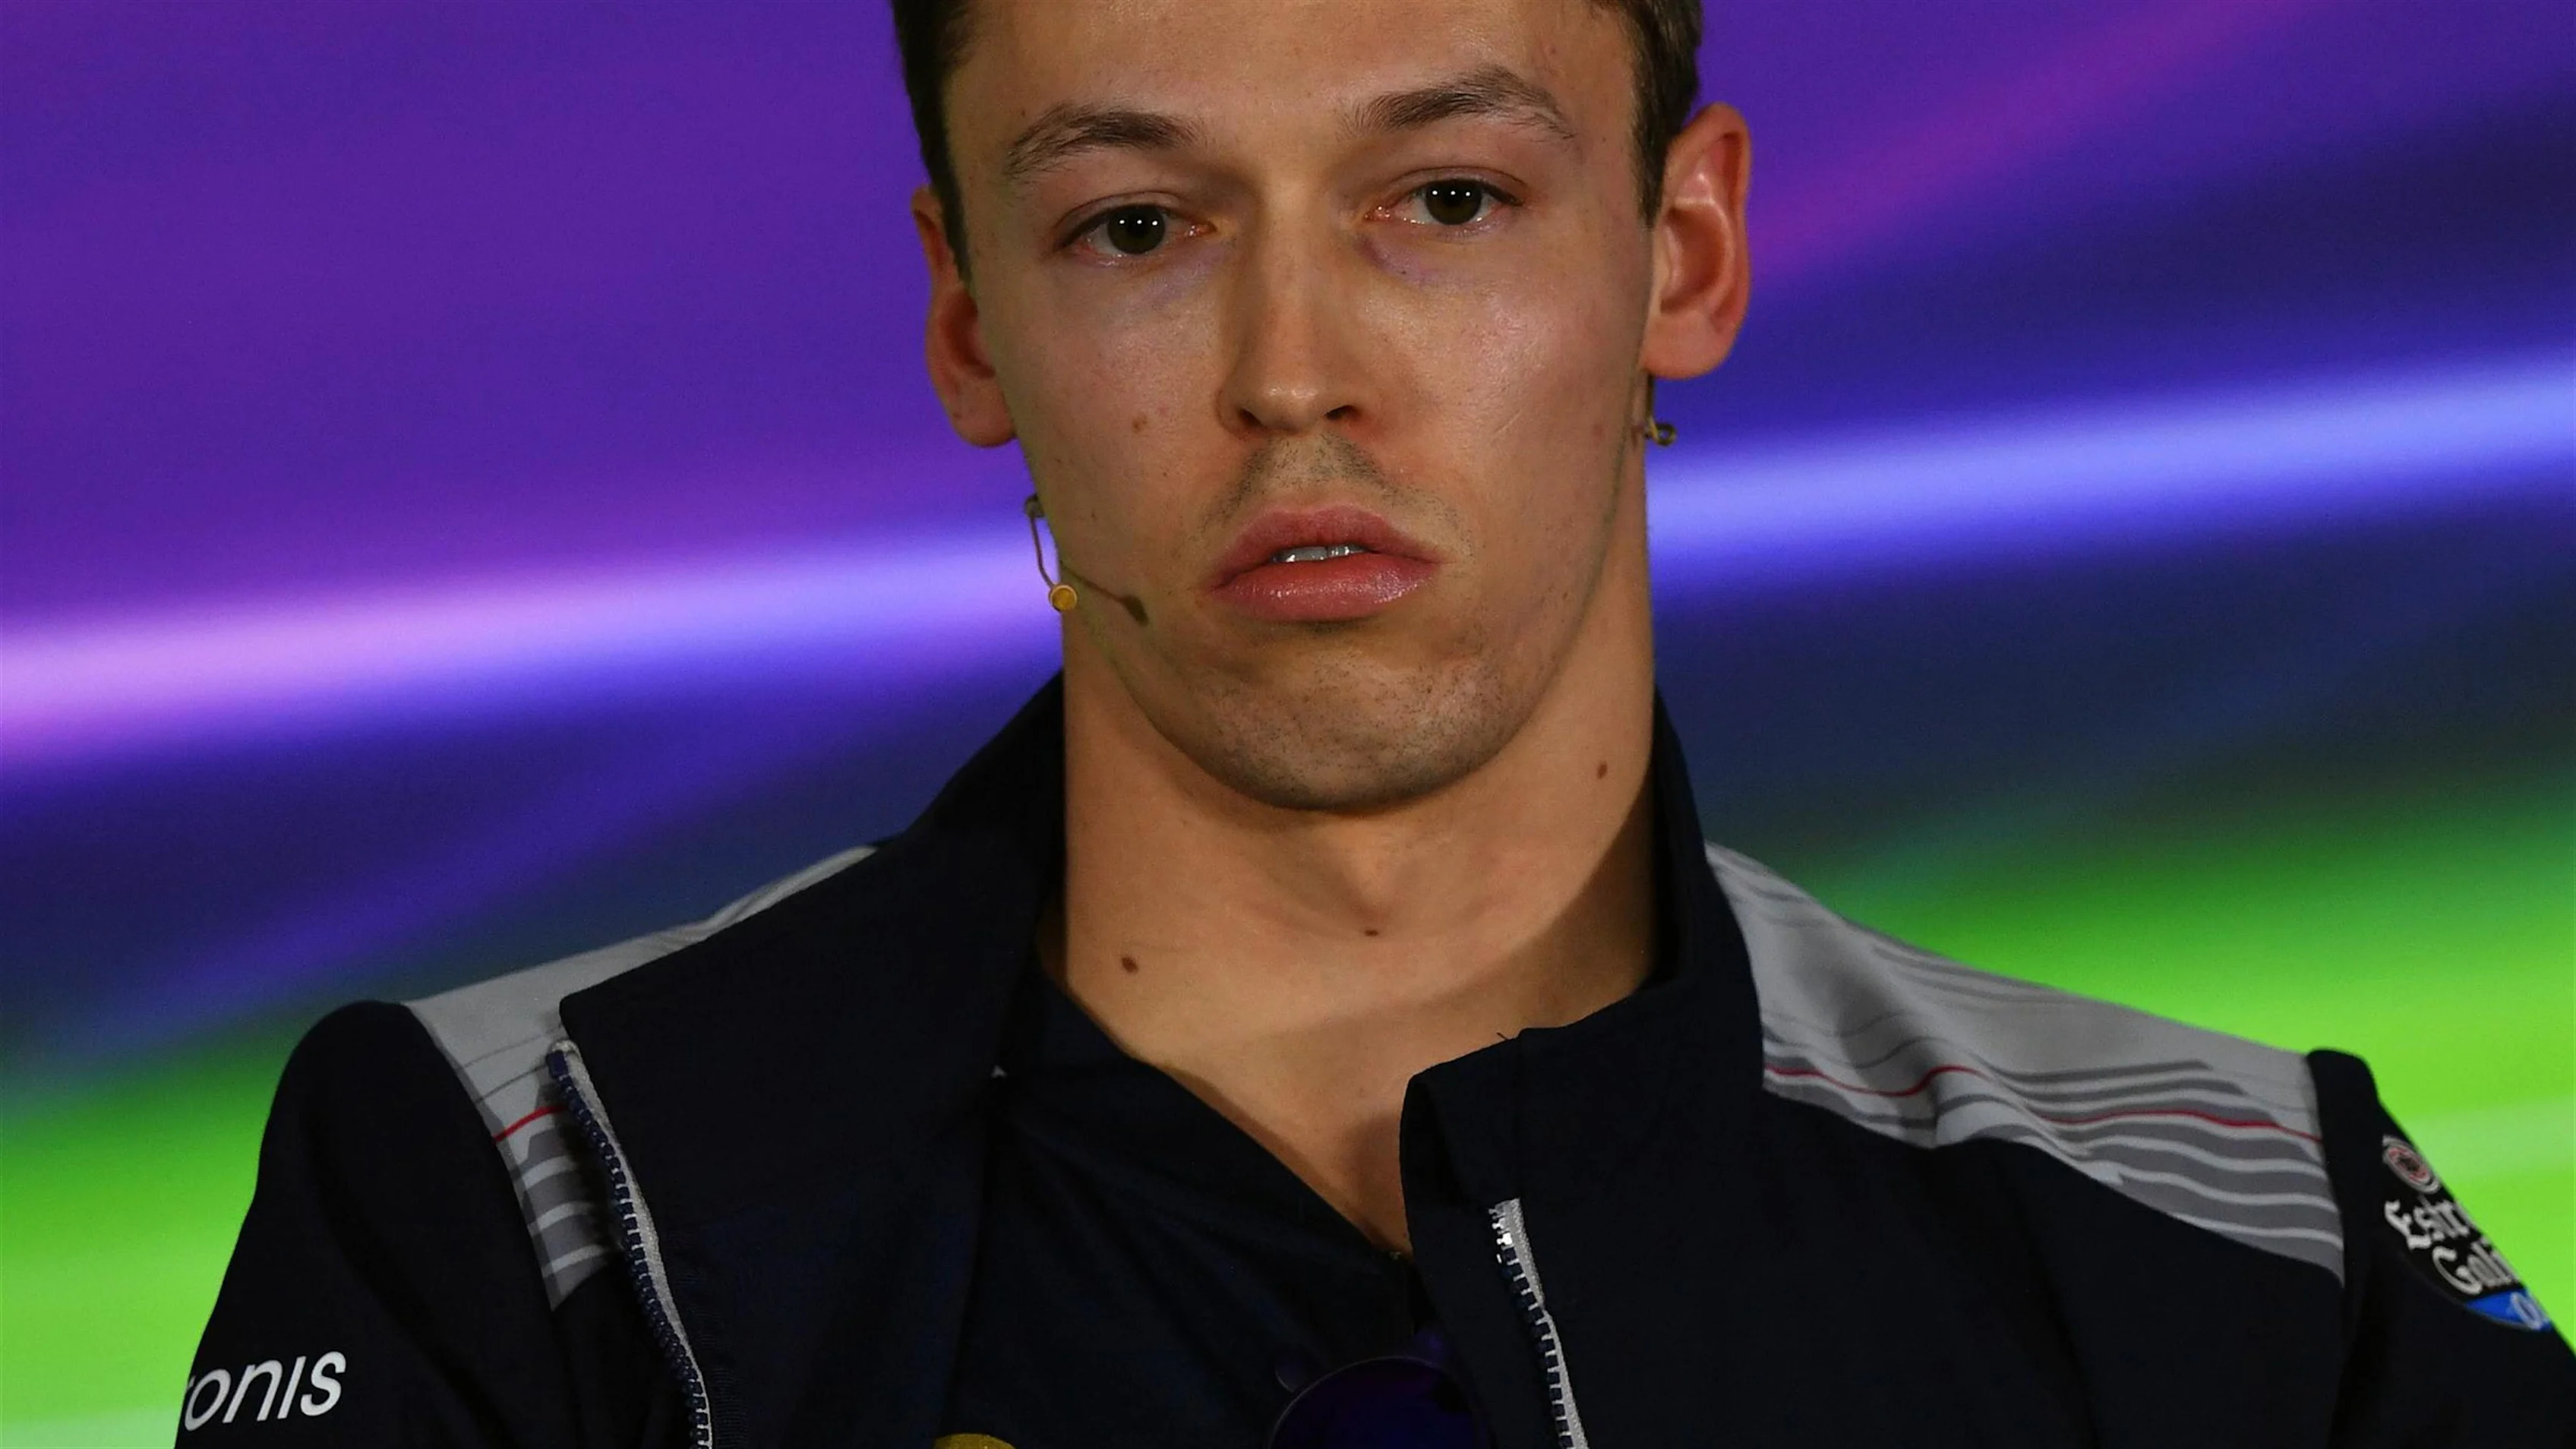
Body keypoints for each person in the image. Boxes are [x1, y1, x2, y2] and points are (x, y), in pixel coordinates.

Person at [182, 0, 2573, 1444]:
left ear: (1685, 255)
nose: (1292, 370)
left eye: (1443, 195)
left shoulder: (2256, 1238)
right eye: (1141, 225)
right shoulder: (510, 1207)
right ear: (967, 318)